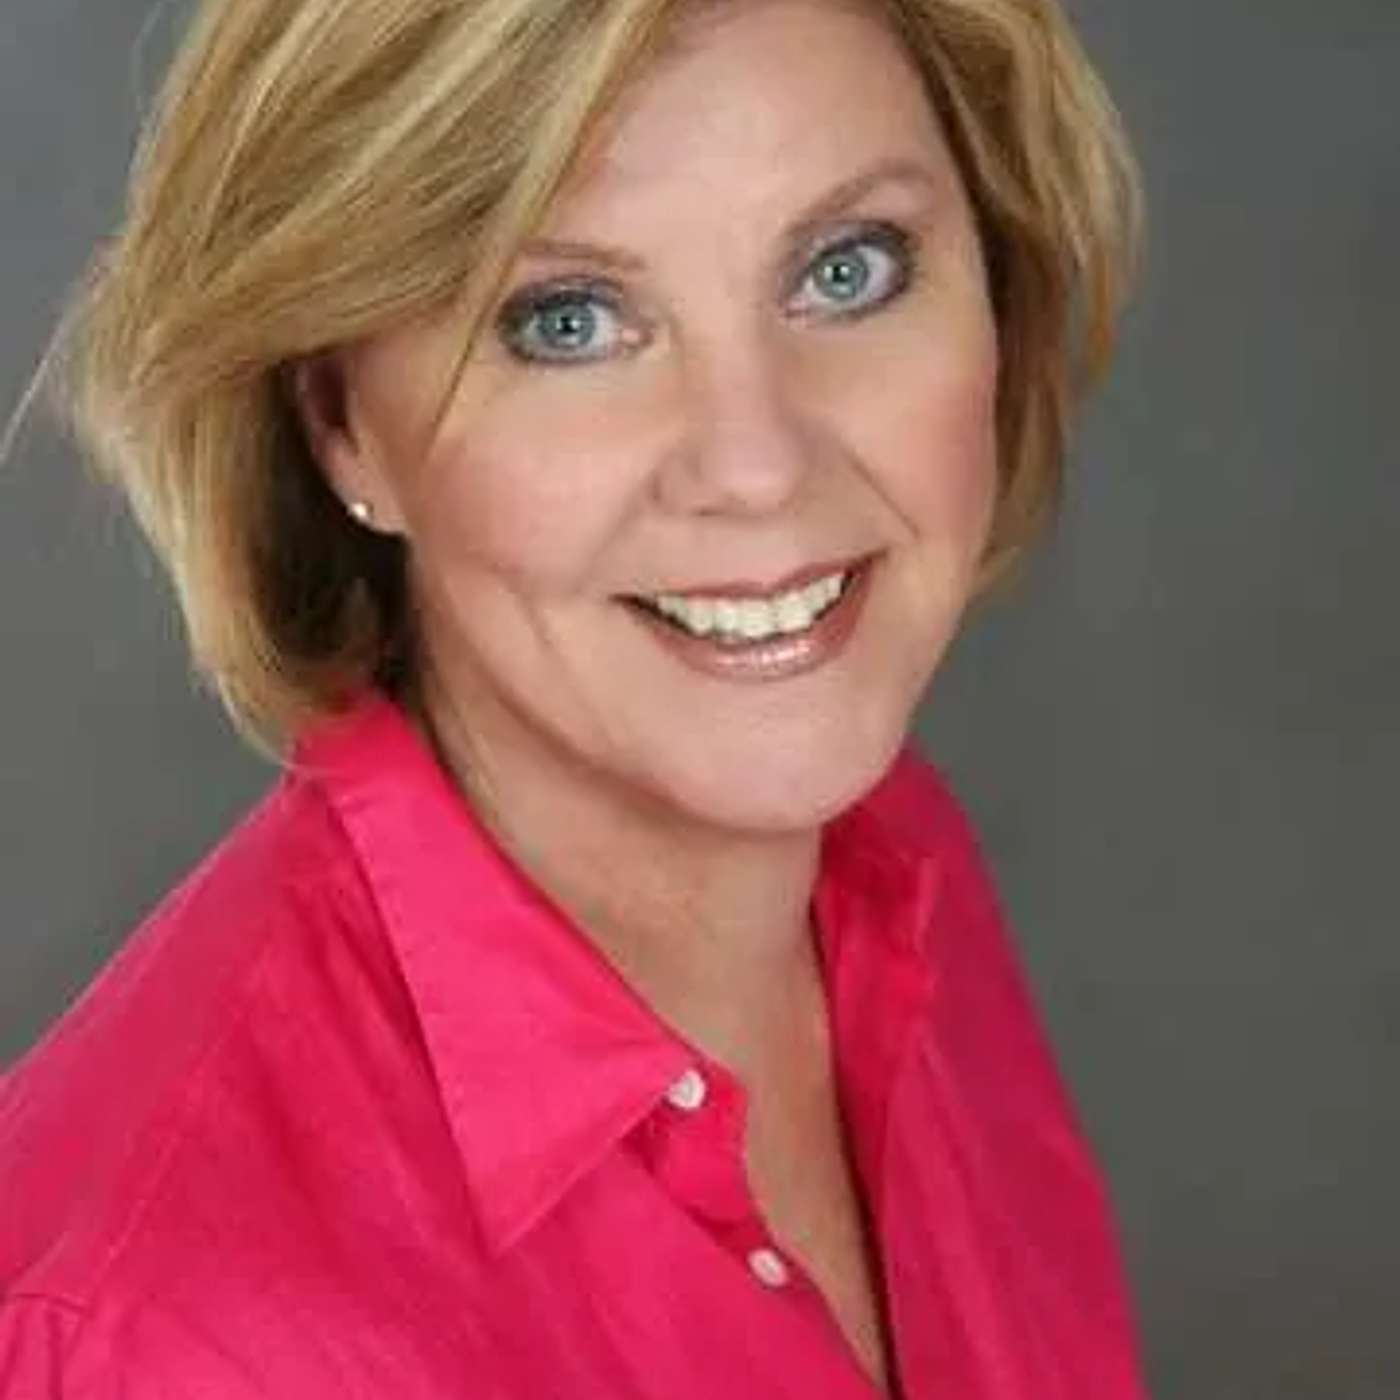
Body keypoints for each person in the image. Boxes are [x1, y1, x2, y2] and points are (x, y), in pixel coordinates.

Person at [0, 0, 1146, 1393]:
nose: (757, 465)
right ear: (340, 421)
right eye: (571, 322)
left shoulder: (895, 878)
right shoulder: (156, 1342)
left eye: (847, 270)